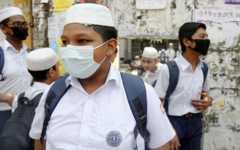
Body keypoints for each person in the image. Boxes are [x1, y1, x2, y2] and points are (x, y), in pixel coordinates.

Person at [29, 3, 175, 150]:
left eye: (82, 41)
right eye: (65, 42)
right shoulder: (53, 93)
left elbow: (162, 146)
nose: (70, 49)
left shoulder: (140, 93)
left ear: (110, 47)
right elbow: (40, 143)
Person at [154, 22, 213, 150]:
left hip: (195, 123)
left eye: (206, 37)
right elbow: (157, 103)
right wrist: (167, 130)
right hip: (173, 122)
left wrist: (207, 102)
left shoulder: (203, 68)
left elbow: (206, 95)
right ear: (187, 42)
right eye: (202, 37)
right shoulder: (169, 69)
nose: (206, 41)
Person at [0, 47, 60, 150]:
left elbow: (10, 99)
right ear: (51, 72)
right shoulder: (53, 98)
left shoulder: (23, 96)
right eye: (58, 66)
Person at [0, 6, 32, 133]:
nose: (22, 27)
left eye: (24, 23)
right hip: (4, 114)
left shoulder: (30, 53)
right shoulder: (1, 54)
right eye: (17, 23)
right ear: (3, 28)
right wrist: (8, 98)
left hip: (28, 112)